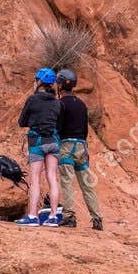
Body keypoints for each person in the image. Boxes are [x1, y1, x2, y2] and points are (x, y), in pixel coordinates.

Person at [56, 69, 103, 231]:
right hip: (81, 146)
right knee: (87, 184)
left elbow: (58, 127)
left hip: (66, 146)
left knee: (67, 181)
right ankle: (97, 218)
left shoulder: (60, 104)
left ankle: (69, 216)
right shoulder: (81, 104)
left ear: (60, 85)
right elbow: (85, 129)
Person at [16, 68, 62, 227]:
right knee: (52, 177)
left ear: (39, 82)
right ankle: (54, 216)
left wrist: (34, 122)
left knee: (35, 178)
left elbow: (21, 122)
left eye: (35, 80)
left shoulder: (32, 100)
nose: (34, 82)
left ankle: (33, 216)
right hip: (53, 141)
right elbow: (59, 123)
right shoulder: (57, 102)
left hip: (37, 142)